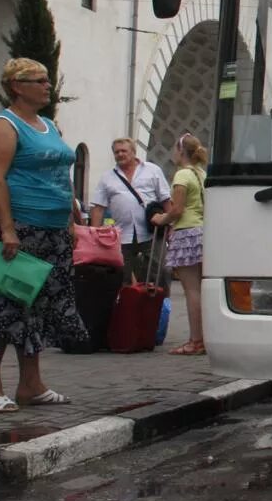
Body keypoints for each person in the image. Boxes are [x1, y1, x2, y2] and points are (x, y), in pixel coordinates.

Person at [0, 58, 86, 413]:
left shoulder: (48, 125)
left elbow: (63, 176)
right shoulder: (2, 126)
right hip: (17, 229)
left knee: (37, 306)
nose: (48, 86)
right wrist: (6, 228)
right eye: (39, 80)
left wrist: (68, 220)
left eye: (47, 80)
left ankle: (31, 385)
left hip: (51, 231)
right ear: (17, 86)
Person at [151, 133, 207, 355]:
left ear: (180, 151)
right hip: (204, 231)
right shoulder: (201, 173)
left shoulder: (182, 175)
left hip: (187, 233)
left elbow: (177, 210)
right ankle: (206, 338)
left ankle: (195, 341)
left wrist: (160, 219)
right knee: (202, 289)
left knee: (191, 290)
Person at [89, 138, 171, 284]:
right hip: (121, 235)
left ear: (133, 152)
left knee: (159, 274)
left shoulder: (152, 170)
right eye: (116, 152)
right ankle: (128, 306)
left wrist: (172, 226)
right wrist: (95, 235)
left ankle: (158, 305)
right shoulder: (107, 177)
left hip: (152, 233)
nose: (120, 154)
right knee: (122, 277)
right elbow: (98, 207)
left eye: (124, 151)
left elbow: (166, 199)